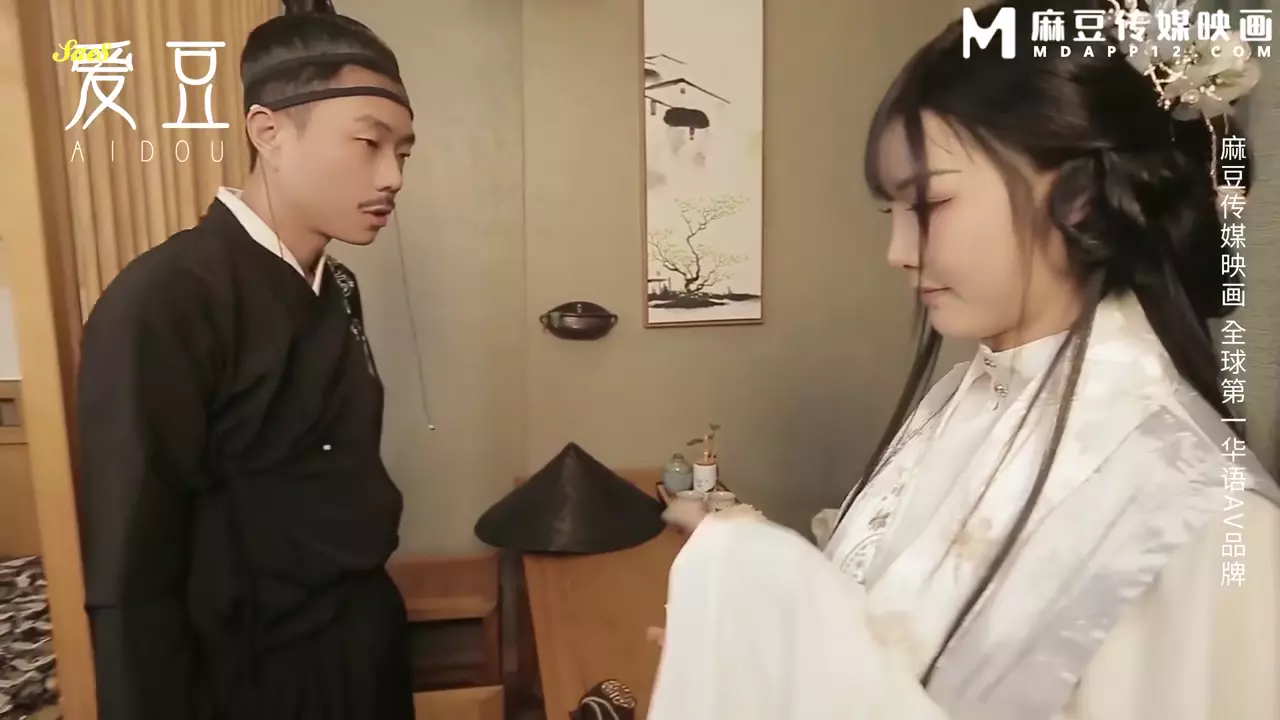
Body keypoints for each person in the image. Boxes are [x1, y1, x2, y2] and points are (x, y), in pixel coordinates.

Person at [648, 1, 1279, 719]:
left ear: (1078, 196)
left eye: (929, 204)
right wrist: (746, 650)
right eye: (891, 213)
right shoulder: (965, 395)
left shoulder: (1193, 514)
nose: (897, 253)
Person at [75, 2, 417, 718]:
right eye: (369, 143)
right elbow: (131, 572)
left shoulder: (337, 286)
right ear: (269, 132)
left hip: (363, 638)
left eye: (403, 153)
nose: (391, 176)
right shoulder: (164, 300)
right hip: (250, 672)